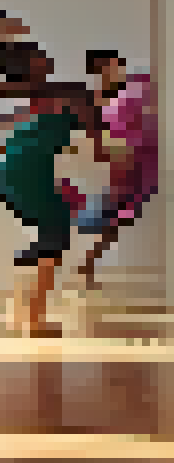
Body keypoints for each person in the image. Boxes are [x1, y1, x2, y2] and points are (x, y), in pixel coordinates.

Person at [0, 40, 103, 336]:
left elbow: (11, 111)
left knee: (45, 241)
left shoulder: (48, 97)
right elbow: (96, 149)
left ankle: (20, 311)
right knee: (54, 238)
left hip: (9, 169)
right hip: (22, 170)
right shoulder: (78, 95)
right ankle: (34, 319)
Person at [75, 49, 154, 289]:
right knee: (117, 219)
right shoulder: (104, 102)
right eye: (102, 70)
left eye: (111, 66)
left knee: (119, 218)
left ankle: (88, 264)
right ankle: (87, 265)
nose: (108, 72)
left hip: (144, 163)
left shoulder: (139, 85)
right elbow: (100, 147)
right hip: (128, 169)